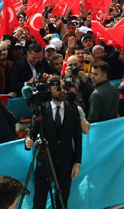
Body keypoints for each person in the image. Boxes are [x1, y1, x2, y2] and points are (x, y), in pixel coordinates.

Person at [24, 77, 82, 209]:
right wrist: (28, 140)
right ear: (49, 91)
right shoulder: (41, 109)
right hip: (44, 163)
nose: (63, 91)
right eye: (58, 88)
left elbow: (78, 138)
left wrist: (77, 163)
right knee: (39, 201)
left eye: (64, 87)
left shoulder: (72, 109)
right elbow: (32, 130)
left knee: (62, 201)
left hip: (66, 163)